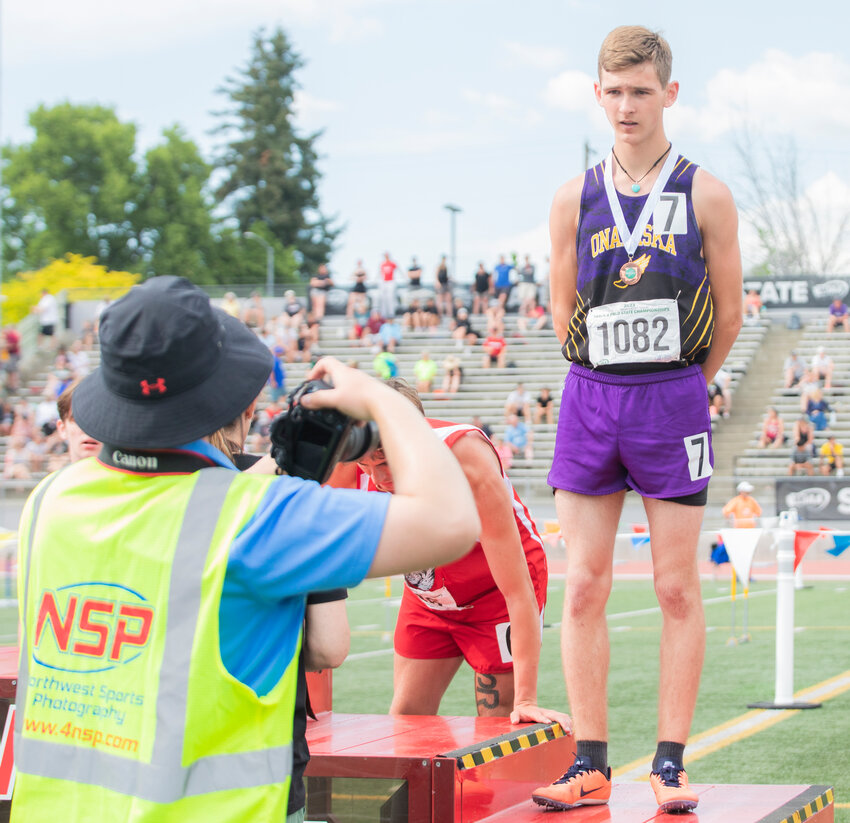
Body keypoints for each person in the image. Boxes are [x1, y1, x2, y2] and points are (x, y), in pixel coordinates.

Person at [13, 276, 480, 823]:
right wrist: (382, 400)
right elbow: (449, 523)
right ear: (236, 402)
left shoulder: (51, 497)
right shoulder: (255, 515)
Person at [533, 26, 743, 815]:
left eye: (641, 91)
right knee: (583, 584)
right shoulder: (572, 197)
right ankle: (590, 759)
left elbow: (728, 313)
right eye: (614, 91)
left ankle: (670, 762)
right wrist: (602, 372)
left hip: (673, 400)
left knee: (674, 587)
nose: (627, 105)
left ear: (669, 94)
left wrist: (689, 386)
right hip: (591, 398)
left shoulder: (705, 192)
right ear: (597, 94)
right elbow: (562, 307)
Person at [355, 379, 571, 731]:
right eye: (365, 466)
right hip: (429, 590)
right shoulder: (353, 452)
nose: (377, 480)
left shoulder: (466, 458)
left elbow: (517, 592)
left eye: (385, 463)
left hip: (494, 590)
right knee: (406, 717)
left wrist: (527, 699)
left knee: (498, 719)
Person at [378, 252, 398, 319]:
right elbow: (380, 272)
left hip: (390, 281)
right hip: (384, 282)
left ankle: (391, 313)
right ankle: (384, 313)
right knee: (384, 298)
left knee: (390, 297)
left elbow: (398, 270)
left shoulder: (392, 263)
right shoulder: (383, 264)